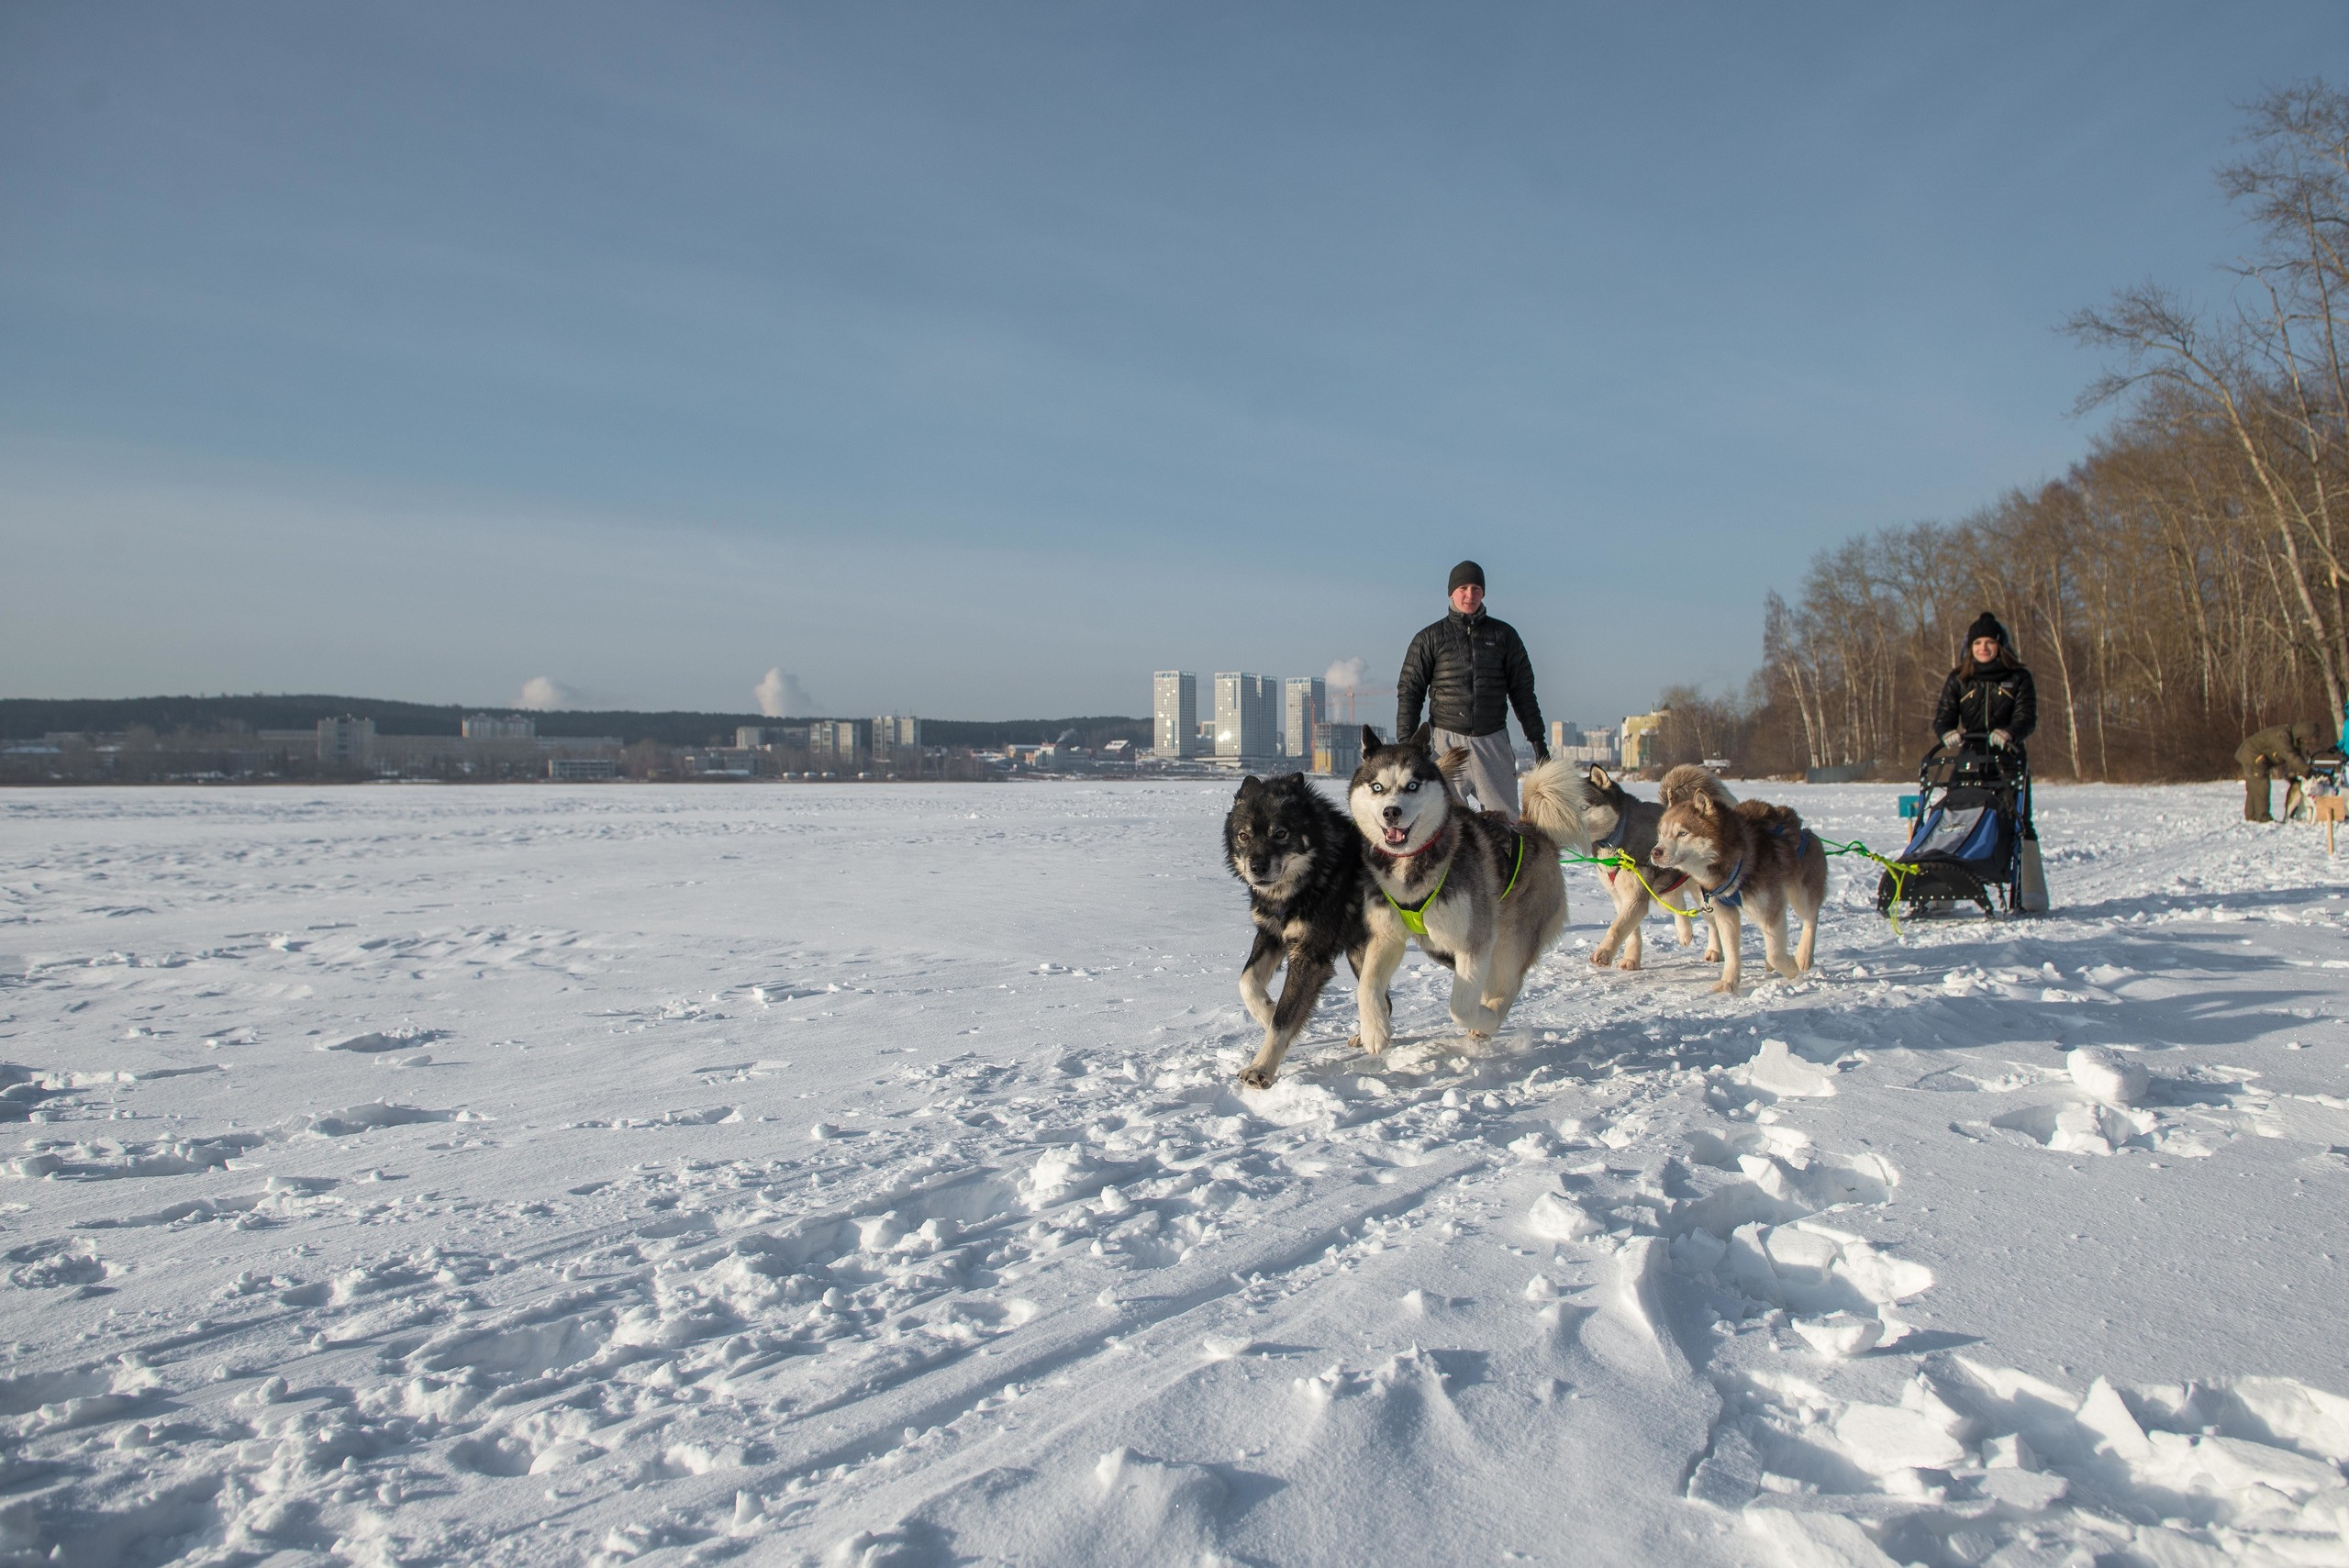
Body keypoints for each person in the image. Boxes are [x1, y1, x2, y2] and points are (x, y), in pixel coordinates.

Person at [1396, 561, 1547, 817]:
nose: (1470, 595)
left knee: (1506, 823)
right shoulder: (1429, 638)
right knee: (1445, 823)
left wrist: (1538, 740)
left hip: (1492, 741)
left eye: (1476, 588)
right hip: (1445, 744)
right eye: (1463, 588)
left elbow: (1523, 693)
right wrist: (1405, 744)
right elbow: (1410, 692)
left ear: (1483, 592)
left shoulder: (1504, 636)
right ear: (1451, 592)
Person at [1932, 611, 2038, 759]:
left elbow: (2026, 717)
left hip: (2009, 756)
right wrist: (1946, 731)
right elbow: (1944, 715)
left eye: (1990, 642)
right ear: (1970, 647)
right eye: (1977, 643)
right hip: (1971, 756)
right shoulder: (1959, 679)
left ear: (2000, 645)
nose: (1983, 648)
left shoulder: (2018, 677)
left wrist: (2009, 733)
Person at [2236, 720, 2334, 823]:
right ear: (2302, 735)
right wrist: (2307, 770)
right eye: (2306, 739)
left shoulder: (2291, 739)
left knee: (2254, 787)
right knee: (2262, 785)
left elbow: (2299, 758)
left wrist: (2307, 770)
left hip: (2252, 755)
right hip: (2252, 756)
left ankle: (2251, 817)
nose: (2306, 742)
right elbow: (2290, 756)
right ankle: (2263, 818)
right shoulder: (2282, 736)